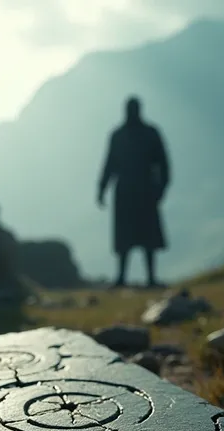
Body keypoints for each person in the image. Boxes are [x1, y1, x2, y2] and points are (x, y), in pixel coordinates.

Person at [97, 97, 171, 288]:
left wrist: (161, 188)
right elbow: (110, 164)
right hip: (128, 192)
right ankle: (122, 277)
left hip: (145, 190)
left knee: (147, 239)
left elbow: (163, 164)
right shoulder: (119, 135)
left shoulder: (148, 134)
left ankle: (150, 278)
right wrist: (101, 188)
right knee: (125, 239)